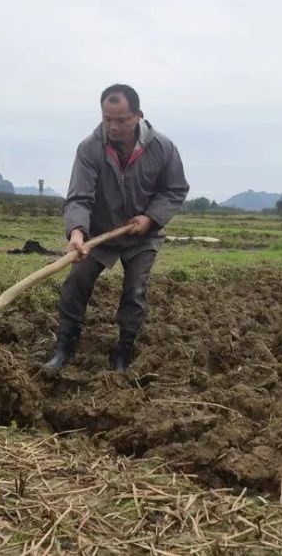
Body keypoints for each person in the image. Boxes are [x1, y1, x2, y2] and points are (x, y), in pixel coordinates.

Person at [42, 84, 189, 377]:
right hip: (100, 234)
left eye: (121, 120)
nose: (113, 126)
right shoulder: (89, 148)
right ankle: (65, 347)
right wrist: (76, 233)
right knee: (76, 282)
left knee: (135, 289)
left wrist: (150, 218)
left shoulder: (163, 148)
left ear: (137, 116)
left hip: (142, 235)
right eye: (107, 118)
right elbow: (79, 197)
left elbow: (174, 190)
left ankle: (123, 350)